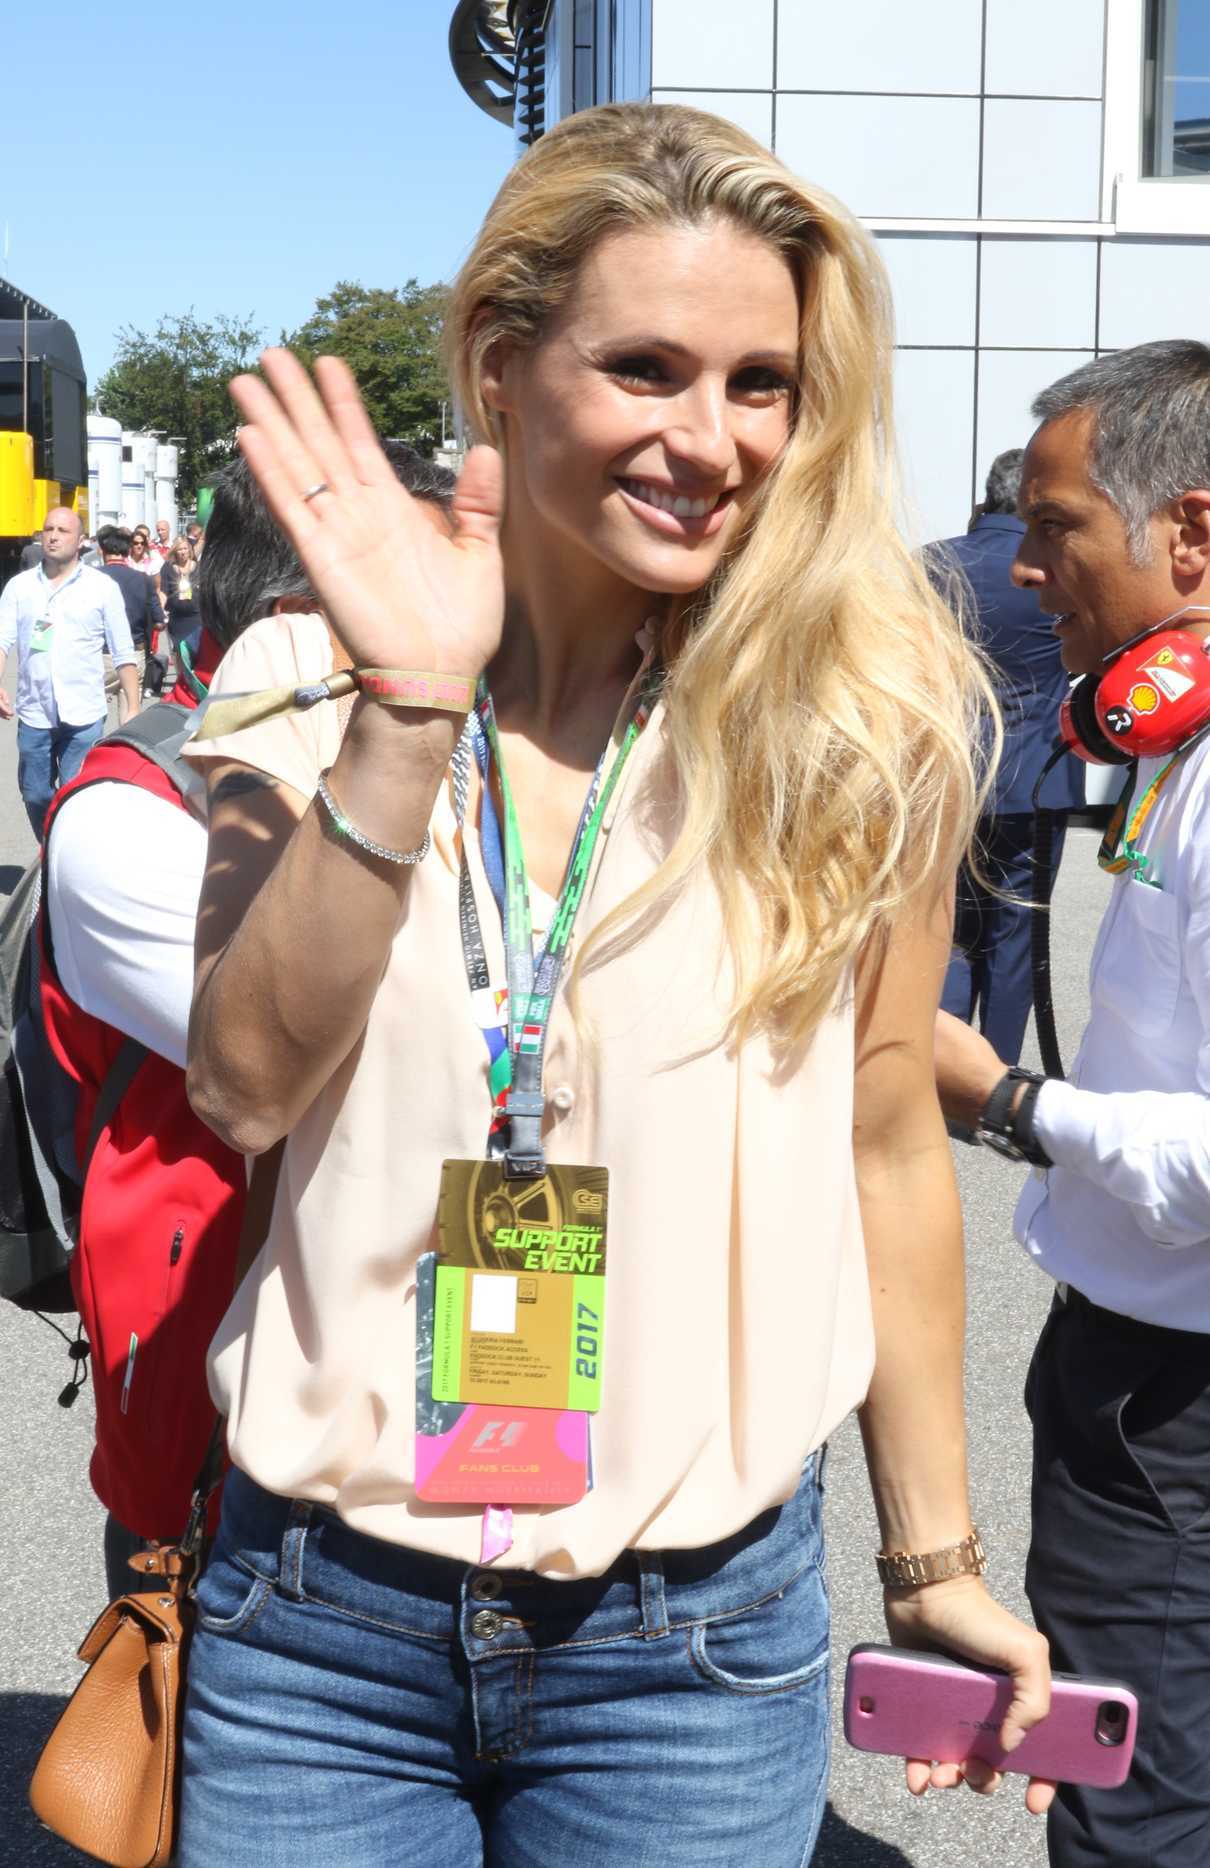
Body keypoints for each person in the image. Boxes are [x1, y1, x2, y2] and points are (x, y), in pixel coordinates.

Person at [178, 103, 1051, 1865]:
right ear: (503, 366)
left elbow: (891, 1140)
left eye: (760, 384)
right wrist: (413, 710)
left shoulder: (852, 726)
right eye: (646, 367)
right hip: (317, 1626)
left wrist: (938, 1558)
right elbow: (244, 1084)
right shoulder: (309, 672)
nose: (712, 439)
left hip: (692, 1647)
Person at [44, 450, 459, 1601]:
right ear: (293, 620)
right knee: (180, 1755)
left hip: (420, 1388)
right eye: (417, 584)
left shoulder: (451, 774)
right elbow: (340, 1049)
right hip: (214, 1422)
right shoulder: (133, 813)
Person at [936, 338, 1210, 1866]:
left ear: (1190, 535)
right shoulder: (1179, 745)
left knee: (1134, 1807)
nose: (1026, 570)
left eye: (1055, 528)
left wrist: (1004, 1099)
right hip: (1149, 1373)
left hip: (1166, 1398)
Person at [930, 449, 1085, 1063]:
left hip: (945, 777)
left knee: (950, 929)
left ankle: (943, 1071)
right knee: (1016, 934)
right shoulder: (1057, 572)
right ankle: (991, 1075)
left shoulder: (929, 566)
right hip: (1035, 777)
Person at [0, 507, 139, 838]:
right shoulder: (19, 587)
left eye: (63, 530)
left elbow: (123, 651)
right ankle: (49, 846)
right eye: (48, 528)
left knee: (77, 796)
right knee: (35, 794)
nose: (53, 535)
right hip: (35, 712)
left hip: (84, 714)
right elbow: (2, 640)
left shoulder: (101, 587)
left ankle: (65, 857)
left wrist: (132, 706)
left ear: (80, 541)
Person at [98, 523, 164, 688]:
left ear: (103, 551)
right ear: (128, 552)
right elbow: (160, 622)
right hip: (135, 652)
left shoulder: (92, 578)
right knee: (131, 709)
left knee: (95, 707)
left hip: (101, 653)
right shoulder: (144, 579)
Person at [161, 534, 201, 665]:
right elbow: (163, 592)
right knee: (180, 651)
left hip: (196, 617)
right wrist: (161, 610)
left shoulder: (199, 567)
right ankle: (181, 678)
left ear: (189, 549)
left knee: (196, 651)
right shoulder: (167, 568)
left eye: (185, 549)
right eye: (179, 549)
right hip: (177, 619)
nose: (183, 552)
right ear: (174, 551)